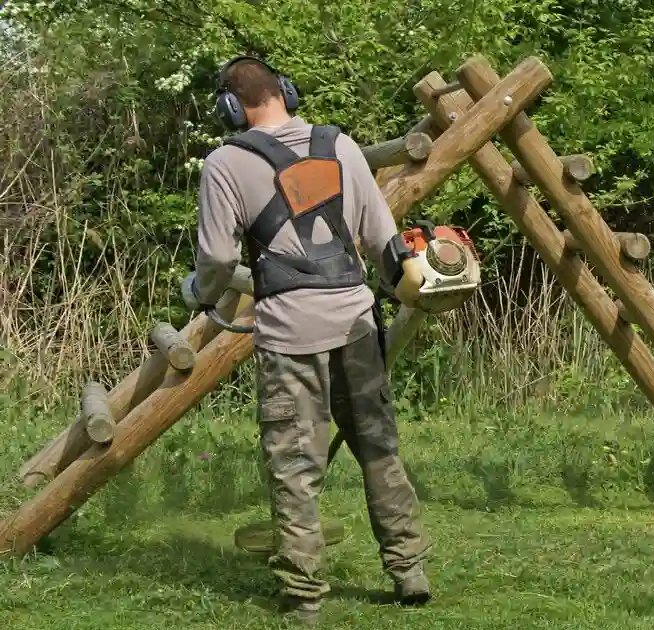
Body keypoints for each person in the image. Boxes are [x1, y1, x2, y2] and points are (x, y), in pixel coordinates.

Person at [180, 55, 433, 623]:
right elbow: (382, 241)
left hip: (290, 333)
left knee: (295, 464)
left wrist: (197, 290)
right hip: (356, 323)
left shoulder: (225, 162)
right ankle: (410, 570)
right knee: (379, 448)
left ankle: (304, 596)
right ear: (285, 93)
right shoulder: (340, 146)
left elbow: (219, 260)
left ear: (230, 107)